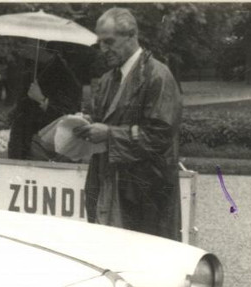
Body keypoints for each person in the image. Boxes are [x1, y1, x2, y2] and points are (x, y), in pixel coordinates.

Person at [77, 7, 183, 240]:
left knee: (145, 254)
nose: (103, 49)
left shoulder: (158, 76)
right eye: (100, 43)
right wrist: (84, 125)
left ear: (132, 35)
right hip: (108, 185)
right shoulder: (107, 79)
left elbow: (159, 136)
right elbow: (106, 122)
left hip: (145, 192)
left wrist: (109, 134)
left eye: (109, 42)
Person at [6, 44, 81, 160]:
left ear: (41, 46)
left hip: (44, 148)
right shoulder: (33, 69)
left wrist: (42, 99)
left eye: (28, 42)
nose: (24, 46)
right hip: (22, 142)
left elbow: (69, 115)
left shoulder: (64, 75)